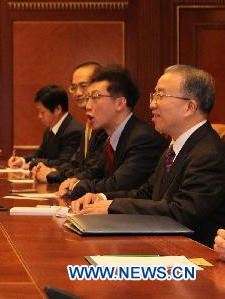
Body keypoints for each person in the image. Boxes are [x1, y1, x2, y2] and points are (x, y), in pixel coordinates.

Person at [72, 65, 225, 247]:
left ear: (190, 107)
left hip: (194, 258)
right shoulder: (174, 147)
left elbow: (182, 212)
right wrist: (103, 199)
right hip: (166, 246)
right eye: (154, 96)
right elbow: (148, 193)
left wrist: (113, 207)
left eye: (161, 95)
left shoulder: (208, 153)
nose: (152, 104)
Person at [57, 65, 166, 199]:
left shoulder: (143, 139)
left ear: (120, 103)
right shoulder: (112, 138)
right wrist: (74, 181)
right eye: (88, 98)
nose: (88, 106)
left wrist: (79, 186)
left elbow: (118, 184)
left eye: (95, 97)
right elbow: (95, 172)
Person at [32, 62, 108, 183]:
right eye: (73, 87)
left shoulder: (104, 126)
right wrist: (51, 171)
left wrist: (52, 175)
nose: (77, 93)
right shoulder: (89, 125)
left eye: (83, 86)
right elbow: (76, 164)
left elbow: (93, 171)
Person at [8, 85, 83, 170]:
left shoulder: (73, 131)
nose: (39, 116)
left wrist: (34, 163)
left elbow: (64, 163)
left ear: (58, 109)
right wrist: (22, 160)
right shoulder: (50, 129)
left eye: (42, 112)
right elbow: (41, 153)